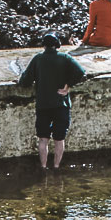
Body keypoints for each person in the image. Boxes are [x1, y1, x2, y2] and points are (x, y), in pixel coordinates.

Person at [17, 34, 89, 170]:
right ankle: (56, 166)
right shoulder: (65, 58)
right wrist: (68, 85)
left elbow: (25, 81)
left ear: (44, 45)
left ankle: (43, 167)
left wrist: (21, 80)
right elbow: (81, 73)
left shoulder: (38, 59)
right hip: (61, 104)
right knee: (59, 139)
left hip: (43, 104)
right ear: (57, 45)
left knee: (43, 139)